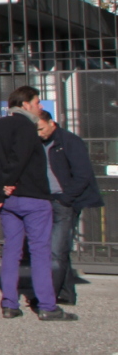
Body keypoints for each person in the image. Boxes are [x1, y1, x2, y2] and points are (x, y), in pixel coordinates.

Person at [0, 84, 73, 322]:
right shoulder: (26, 127)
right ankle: (47, 306)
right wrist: (7, 183)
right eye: (38, 103)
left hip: (9, 200)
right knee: (40, 252)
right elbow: (18, 158)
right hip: (33, 197)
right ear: (25, 104)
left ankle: (9, 304)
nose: (40, 107)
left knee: (11, 250)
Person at [39, 109, 101, 308]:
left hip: (64, 202)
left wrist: (66, 199)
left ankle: (50, 295)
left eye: (41, 129)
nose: (39, 133)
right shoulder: (37, 143)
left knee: (56, 251)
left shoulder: (69, 141)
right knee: (56, 249)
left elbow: (83, 174)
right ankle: (65, 292)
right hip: (45, 201)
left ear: (52, 123)